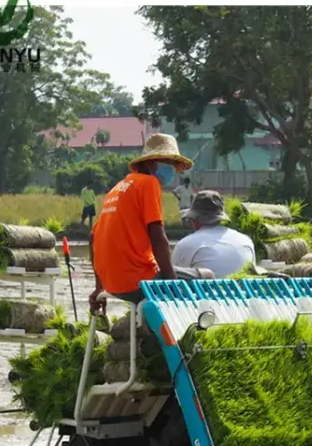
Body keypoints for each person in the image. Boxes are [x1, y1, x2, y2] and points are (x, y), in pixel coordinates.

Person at [88, 133, 213, 313]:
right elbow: (158, 236)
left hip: (113, 284)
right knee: (207, 276)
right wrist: (171, 282)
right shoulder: (149, 183)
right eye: (170, 165)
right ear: (153, 163)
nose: (173, 171)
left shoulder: (119, 187)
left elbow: (92, 238)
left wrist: (99, 286)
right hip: (138, 281)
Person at [172, 190, 256, 278]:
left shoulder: (186, 244)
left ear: (195, 220)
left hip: (204, 291)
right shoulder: (245, 241)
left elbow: (174, 278)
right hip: (242, 291)